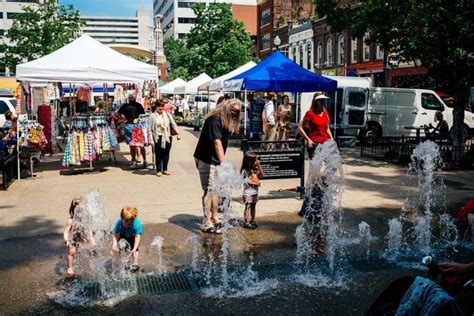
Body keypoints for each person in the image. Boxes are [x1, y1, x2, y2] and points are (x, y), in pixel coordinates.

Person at [193, 98, 241, 234]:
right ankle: (206, 222)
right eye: (233, 110)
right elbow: (217, 142)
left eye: (237, 112)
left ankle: (215, 218)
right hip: (206, 160)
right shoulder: (214, 120)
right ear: (226, 107)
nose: (235, 113)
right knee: (209, 191)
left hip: (215, 160)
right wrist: (224, 163)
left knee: (216, 191)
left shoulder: (224, 121)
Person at [63, 196, 94, 277]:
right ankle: (70, 267)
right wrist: (66, 240)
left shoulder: (86, 220)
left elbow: (89, 230)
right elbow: (66, 232)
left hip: (83, 238)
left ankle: (87, 266)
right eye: (77, 209)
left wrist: (92, 239)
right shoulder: (71, 220)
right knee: (71, 252)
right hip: (73, 239)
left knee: (87, 252)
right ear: (73, 209)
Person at [148, 99, 181, 177]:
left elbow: (173, 124)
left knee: (166, 153)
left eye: (162, 106)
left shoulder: (167, 114)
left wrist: (178, 133)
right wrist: (151, 139)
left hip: (167, 136)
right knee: (158, 154)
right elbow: (149, 129)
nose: (161, 108)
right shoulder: (152, 116)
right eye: (159, 106)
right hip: (157, 137)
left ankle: (165, 169)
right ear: (156, 107)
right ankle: (159, 170)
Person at [299, 93, 334, 159]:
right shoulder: (310, 113)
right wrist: (308, 139)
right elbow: (300, 127)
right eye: (320, 100)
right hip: (314, 143)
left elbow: (327, 128)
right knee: (315, 168)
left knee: (331, 165)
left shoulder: (326, 113)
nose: (322, 101)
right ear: (315, 101)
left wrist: (331, 139)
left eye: (323, 100)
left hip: (325, 143)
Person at [111, 206, 143, 273]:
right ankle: (124, 263)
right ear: (122, 218)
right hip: (122, 235)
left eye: (130, 224)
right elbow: (116, 235)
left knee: (135, 250)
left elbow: (137, 236)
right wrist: (114, 246)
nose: (128, 225)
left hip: (133, 236)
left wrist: (134, 248)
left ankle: (135, 263)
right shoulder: (119, 224)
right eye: (126, 223)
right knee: (121, 249)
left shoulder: (136, 224)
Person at [118, 94, 146, 168]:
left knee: (132, 145)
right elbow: (143, 116)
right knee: (139, 144)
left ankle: (135, 161)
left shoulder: (125, 106)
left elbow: (118, 114)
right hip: (137, 125)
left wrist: (122, 120)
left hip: (130, 125)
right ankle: (142, 160)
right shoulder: (138, 105)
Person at [240, 152, 264, 229]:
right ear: (249, 161)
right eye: (255, 160)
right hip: (247, 193)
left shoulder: (255, 169)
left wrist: (259, 165)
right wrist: (255, 183)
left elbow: (262, 175)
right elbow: (244, 181)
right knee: (247, 206)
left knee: (253, 206)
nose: (257, 160)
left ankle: (252, 220)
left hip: (254, 192)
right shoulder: (245, 171)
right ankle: (246, 221)